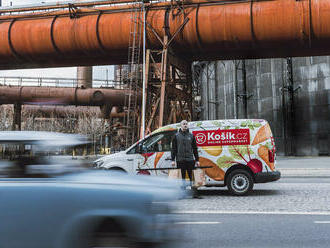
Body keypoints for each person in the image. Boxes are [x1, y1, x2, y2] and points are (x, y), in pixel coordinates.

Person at [171, 120, 201, 198]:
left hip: (190, 159)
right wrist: (172, 160)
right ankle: (182, 194)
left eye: (186, 124)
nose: (185, 125)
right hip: (180, 160)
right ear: (180, 125)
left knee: (193, 177)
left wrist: (197, 160)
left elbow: (195, 148)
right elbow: (173, 149)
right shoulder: (176, 136)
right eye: (183, 124)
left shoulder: (191, 136)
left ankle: (195, 194)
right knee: (181, 178)